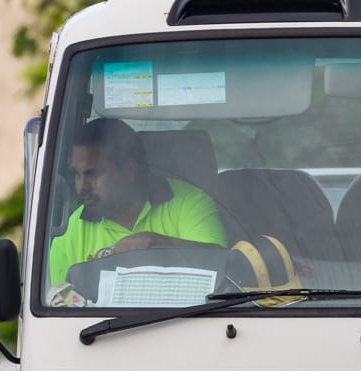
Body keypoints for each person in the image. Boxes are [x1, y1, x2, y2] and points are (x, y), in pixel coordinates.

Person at [47, 117, 228, 290]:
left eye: (92, 174)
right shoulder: (69, 231)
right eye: (77, 175)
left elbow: (221, 264)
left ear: (129, 170)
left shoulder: (189, 202)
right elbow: (59, 302)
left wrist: (157, 241)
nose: (81, 187)